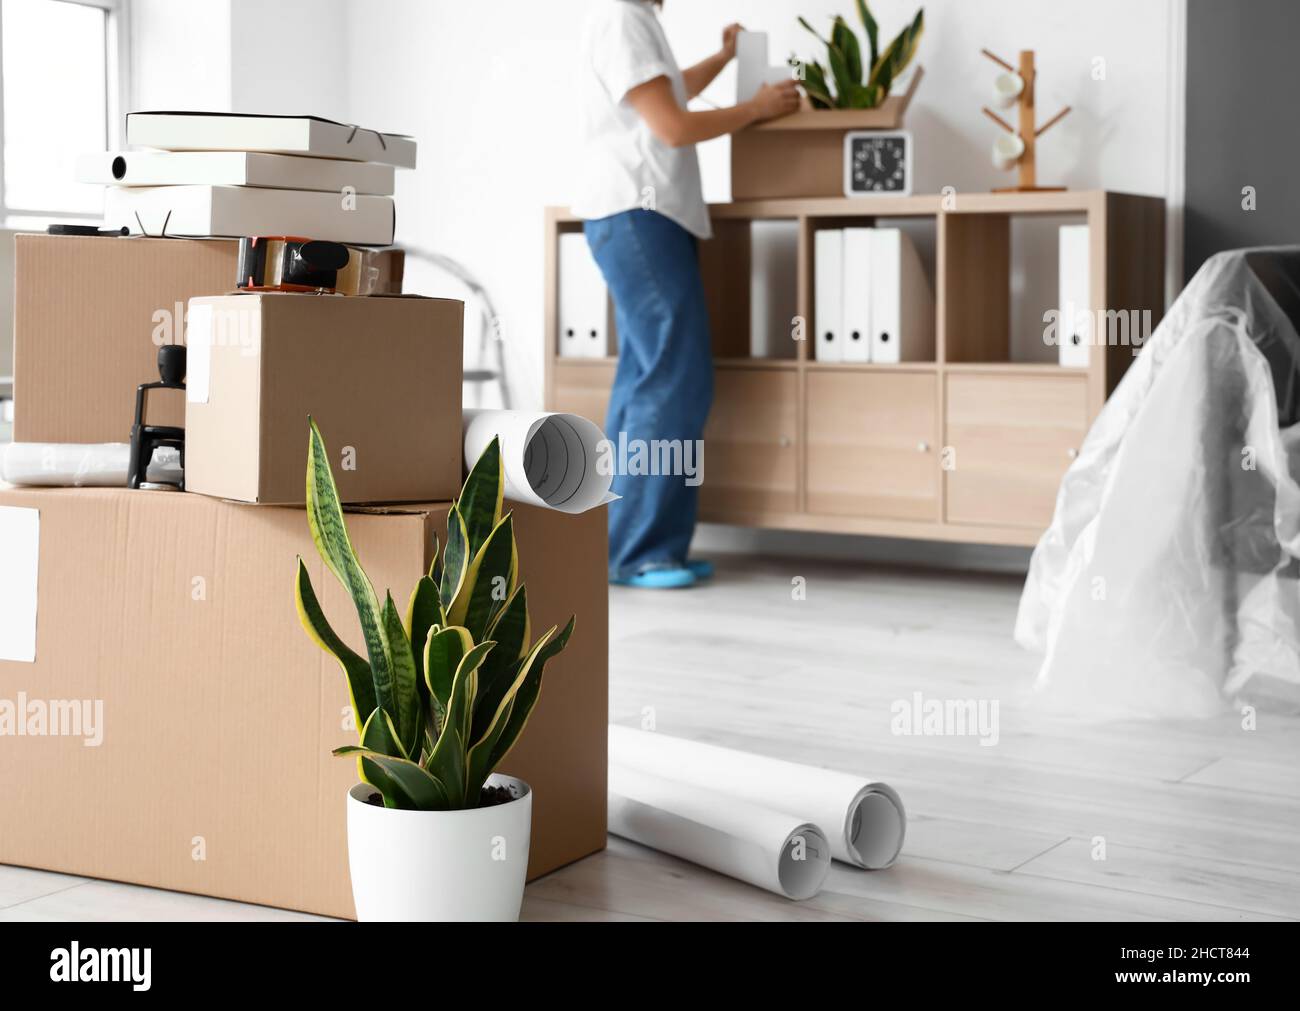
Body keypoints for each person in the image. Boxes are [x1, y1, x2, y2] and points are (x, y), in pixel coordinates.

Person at [575, 0, 800, 589]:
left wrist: (725, 59)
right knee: (673, 377)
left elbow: (663, 95)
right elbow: (672, 126)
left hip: (640, 216)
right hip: (638, 214)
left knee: (648, 377)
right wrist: (756, 108)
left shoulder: (634, 21)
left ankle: (629, 546)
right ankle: (643, 551)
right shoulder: (622, 17)